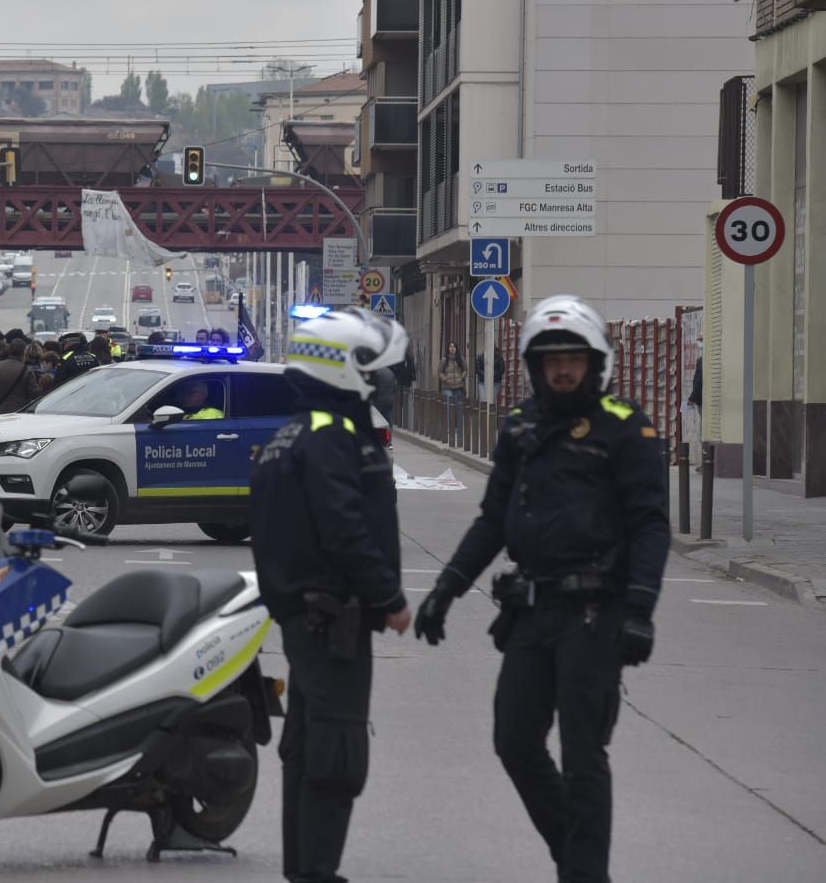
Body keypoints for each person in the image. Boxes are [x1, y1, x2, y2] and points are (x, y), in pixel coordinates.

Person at [413, 296, 669, 883]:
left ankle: (583, 873)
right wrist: (445, 590)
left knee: (583, 758)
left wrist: (640, 609)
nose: (561, 369)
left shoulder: (625, 427)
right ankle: (577, 857)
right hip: (531, 611)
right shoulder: (521, 425)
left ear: (594, 362)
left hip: (594, 615)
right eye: (550, 359)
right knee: (513, 742)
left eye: (573, 358)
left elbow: (650, 524)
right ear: (532, 366)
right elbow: (492, 518)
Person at [248, 308, 412, 883]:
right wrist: (389, 596)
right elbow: (345, 528)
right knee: (337, 752)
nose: (381, 379)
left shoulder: (291, 435)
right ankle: (317, 872)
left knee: (307, 744)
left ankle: (304, 869)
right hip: (332, 617)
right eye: (369, 365)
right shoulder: (333, 437)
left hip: (304, 617)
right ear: (341, 369)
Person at [0, 339, 41, 415]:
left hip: (1, 410)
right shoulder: (26, 370)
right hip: (20, 411)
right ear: (24, 352)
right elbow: (34, 393)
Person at [439, 341, 468, 446]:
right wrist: (445, 379)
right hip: (447, 386)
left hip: (458, 387)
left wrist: (462, 377)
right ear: (448, 348)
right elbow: (440, 372)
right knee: (448, 406)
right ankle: (448, 427)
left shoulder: (461, 359)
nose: (452, 348)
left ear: (456, 348)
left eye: (454, 346)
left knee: (457, 408)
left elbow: (465, 369)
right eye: (450, 346)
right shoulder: (444, 360)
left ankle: (457, 427)